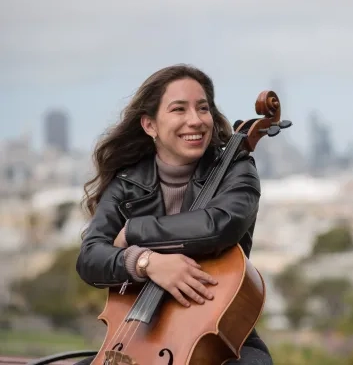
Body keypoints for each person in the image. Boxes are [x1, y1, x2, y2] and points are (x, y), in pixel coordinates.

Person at [75, 64, 273, 365]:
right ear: (150, 125)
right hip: (136, 336)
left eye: (203, 108)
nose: (195, 120)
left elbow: (219, 226)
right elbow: (90, 258)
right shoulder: (127, 183)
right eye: (179, 109)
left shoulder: (238, 169)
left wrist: (134, 232)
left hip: (220, 333)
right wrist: (147, 262)